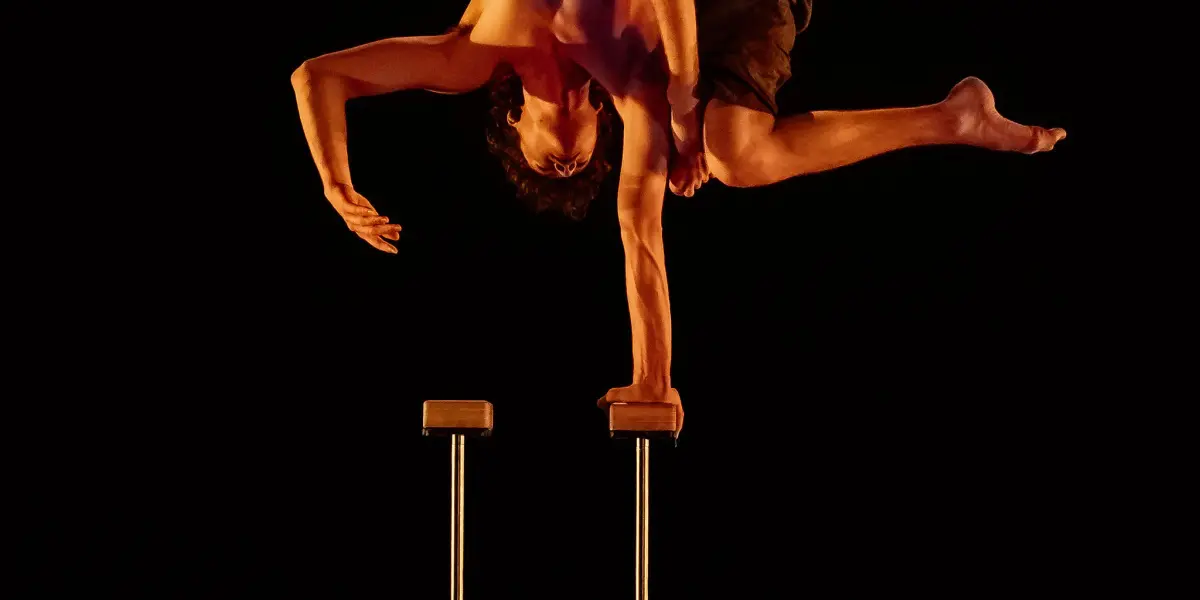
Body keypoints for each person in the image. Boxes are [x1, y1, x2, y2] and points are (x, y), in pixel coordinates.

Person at [290, 0, 1065, 435]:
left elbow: (321, 73)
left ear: (512, 118)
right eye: (573, 163)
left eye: (546, 159)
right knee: (734, 158)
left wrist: (334, 181)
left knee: (717, 145)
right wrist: (652, 381)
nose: (564, 157)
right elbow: (641, 242)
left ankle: (953, 120)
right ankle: (951, 120)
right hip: (737, 10)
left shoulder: (471, 50)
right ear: (597, 126)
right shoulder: (634, 96)